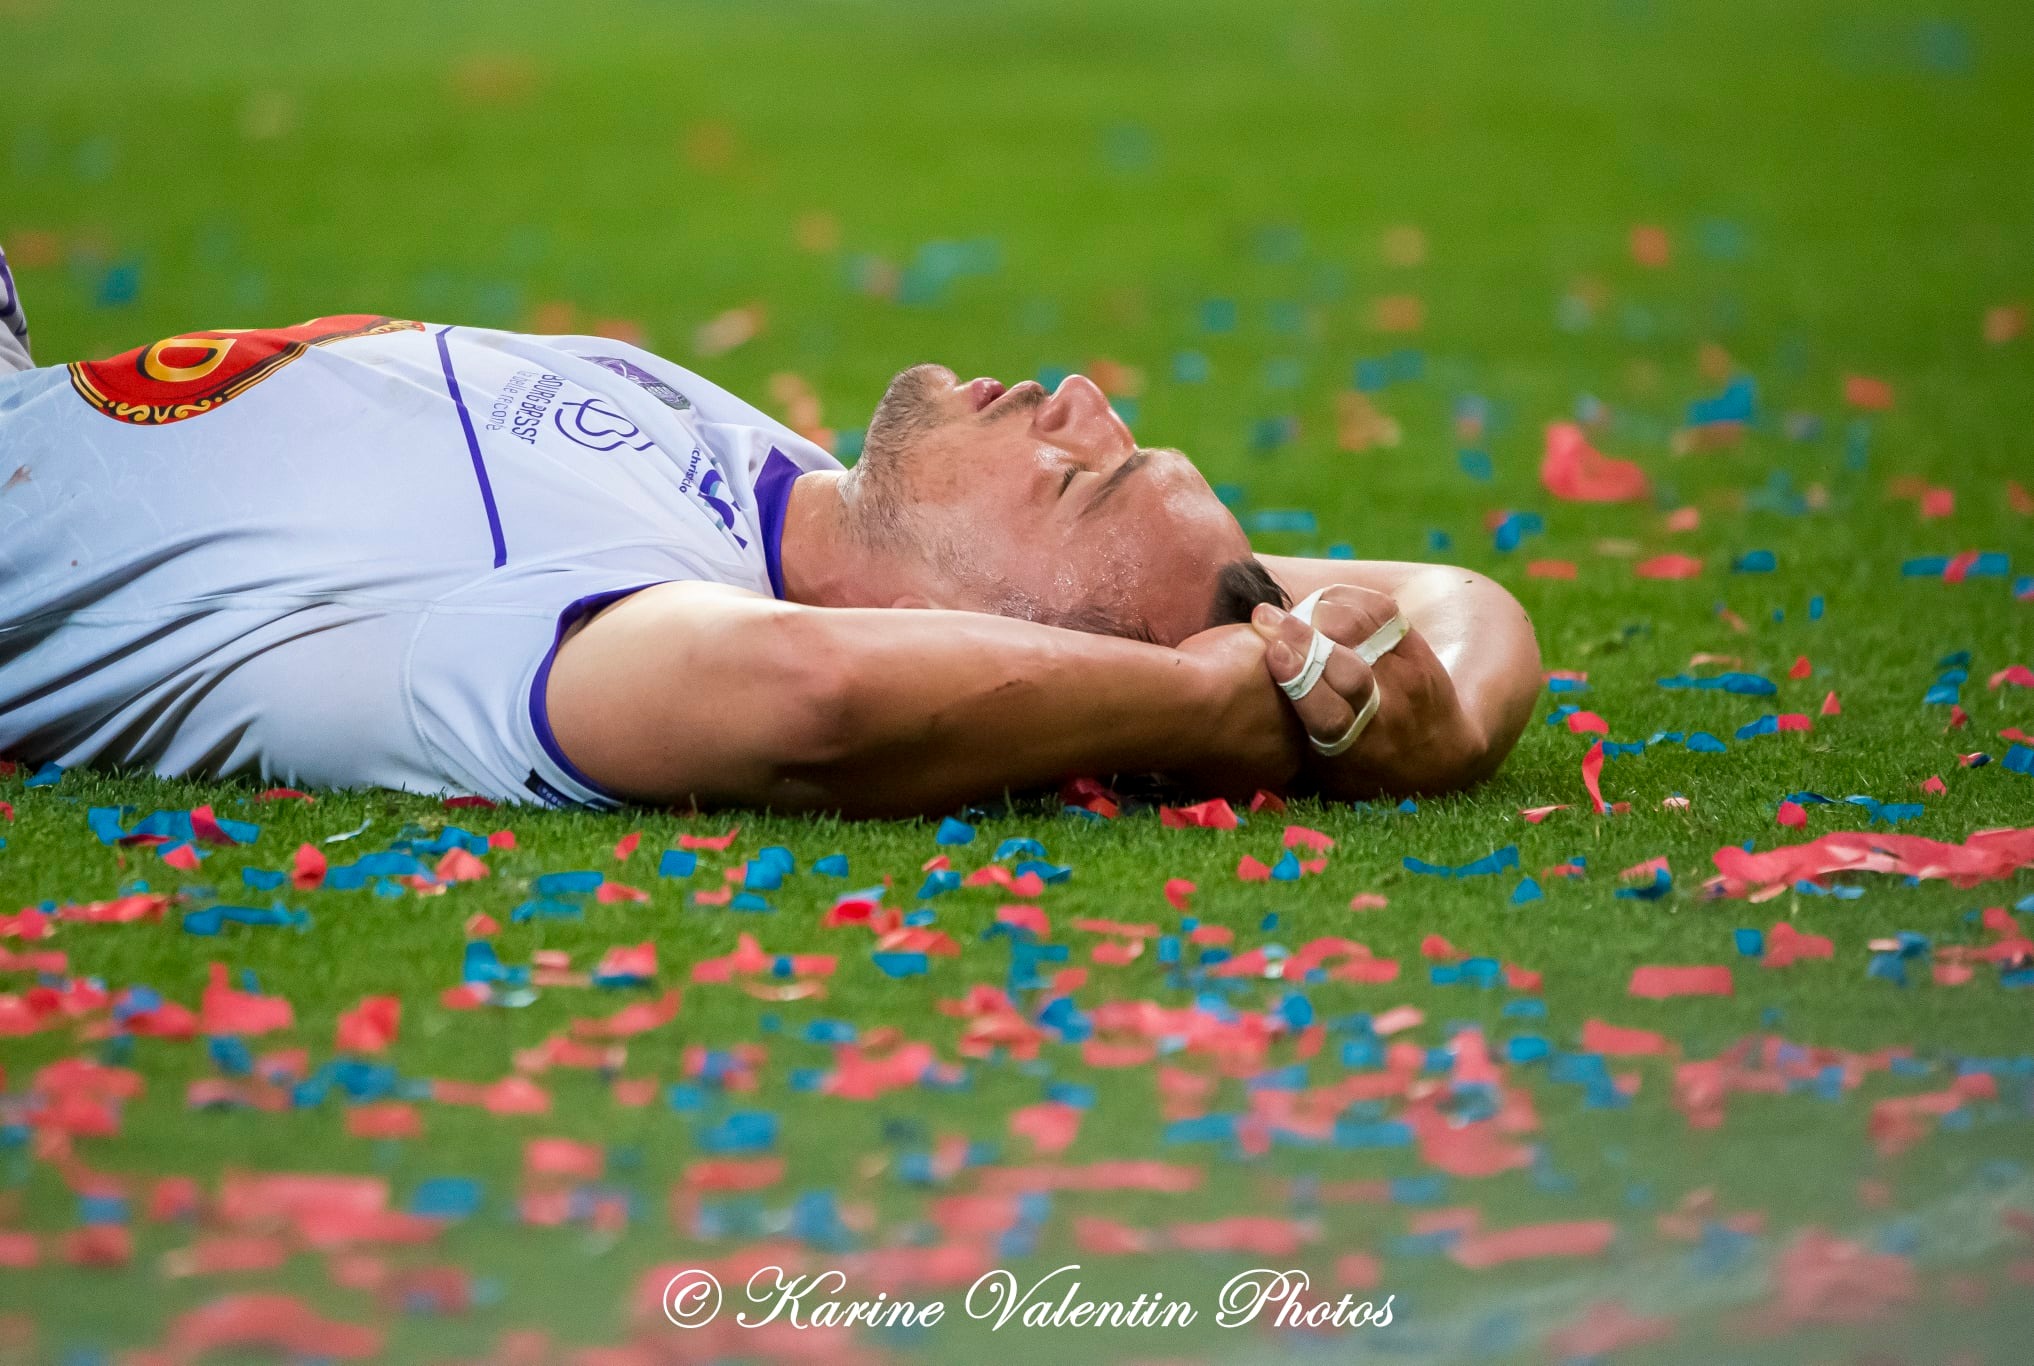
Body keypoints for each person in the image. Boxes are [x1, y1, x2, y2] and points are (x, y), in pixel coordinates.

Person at [0, 253, 1539, 817]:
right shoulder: (791, 495)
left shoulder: (575, 625)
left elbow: (812, 704)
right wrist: (1432, 715)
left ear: (993, 623)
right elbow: (1449, 594)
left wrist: (1213, 715)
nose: (1077, 396)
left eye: (1077, 476)